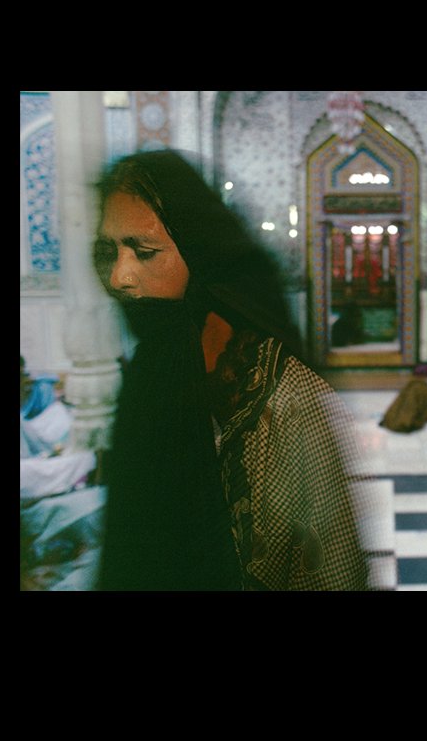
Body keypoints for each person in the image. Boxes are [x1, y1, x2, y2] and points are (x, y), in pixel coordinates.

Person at [91, 150, 368, 590]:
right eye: (109, 251)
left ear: (200, 253)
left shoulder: (284, 396)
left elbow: (333, 571)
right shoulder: (153, 371)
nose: (119, 277)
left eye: (143, 252)